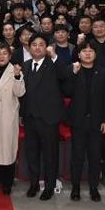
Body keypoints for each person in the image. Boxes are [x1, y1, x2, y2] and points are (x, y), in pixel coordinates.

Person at [62, 42, 105, 202]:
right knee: (77, 156)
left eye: (91, 51)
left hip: (97, 121)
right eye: (84, 51)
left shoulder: (103, 72)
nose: (88, 53)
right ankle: (75, 187)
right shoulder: (73, 69)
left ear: (95, 54)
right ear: (79, 54)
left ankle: (93, 188)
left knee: (95, 157)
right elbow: (67, 91)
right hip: (78, 121)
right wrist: (73, 73)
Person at [22, 34, 68, 201]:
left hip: (49, 118)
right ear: (29, 48)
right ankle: (34, 184)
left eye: (41, 44)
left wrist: (54, 56)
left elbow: (66, 75)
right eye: (34, 44)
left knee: (50, 155)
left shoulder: (53, 64)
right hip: (30, 118)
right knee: (32, 153)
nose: (37, 47)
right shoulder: (25, 65)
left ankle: (49, 186)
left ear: (47, 47)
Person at [0, 43, 25, 195]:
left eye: (4, 53)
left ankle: (7, 183)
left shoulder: (15, 70)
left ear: (10, 55)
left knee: (8, 150)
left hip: (8, 115)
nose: (1, 56)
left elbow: (20, 93)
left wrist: (17, 76)